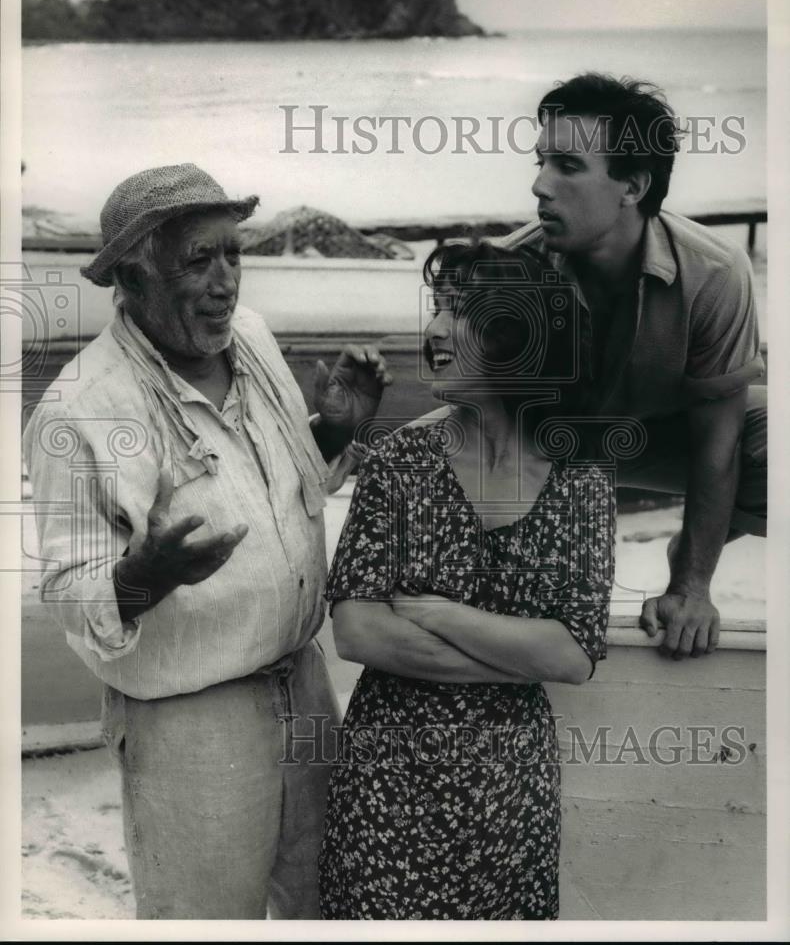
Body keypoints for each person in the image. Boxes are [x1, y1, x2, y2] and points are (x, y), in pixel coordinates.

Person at [22, 163, 391, 920]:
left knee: (327, 908)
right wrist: (145, 577)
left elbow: (277, 483)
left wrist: (335, 432)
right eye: (199, 260)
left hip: (305, 685)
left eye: (233, 255)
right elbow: (67, 590)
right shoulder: (76, 413)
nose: (227, 283)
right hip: (192, 725)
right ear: (132, 274)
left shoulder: (250, 337)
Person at [318, 241, 615, 919]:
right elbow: (358, 630)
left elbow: (571, 656)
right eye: (436, 310)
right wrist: (517, 656)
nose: (433, 332)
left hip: (510, 810)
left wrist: (436, 612)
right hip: (386, 793)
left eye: (458, 312)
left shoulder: (581, 476)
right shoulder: (399, 462)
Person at [442, 73, 765, 659]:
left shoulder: (717, 274)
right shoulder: (513, 267)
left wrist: (691, 586)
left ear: (633, 186)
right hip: (551, 443)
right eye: (541, 161)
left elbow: (720, 443)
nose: (539, 185)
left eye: (567, 165)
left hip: (670, 434)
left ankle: (691, 547)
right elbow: (477, 424)